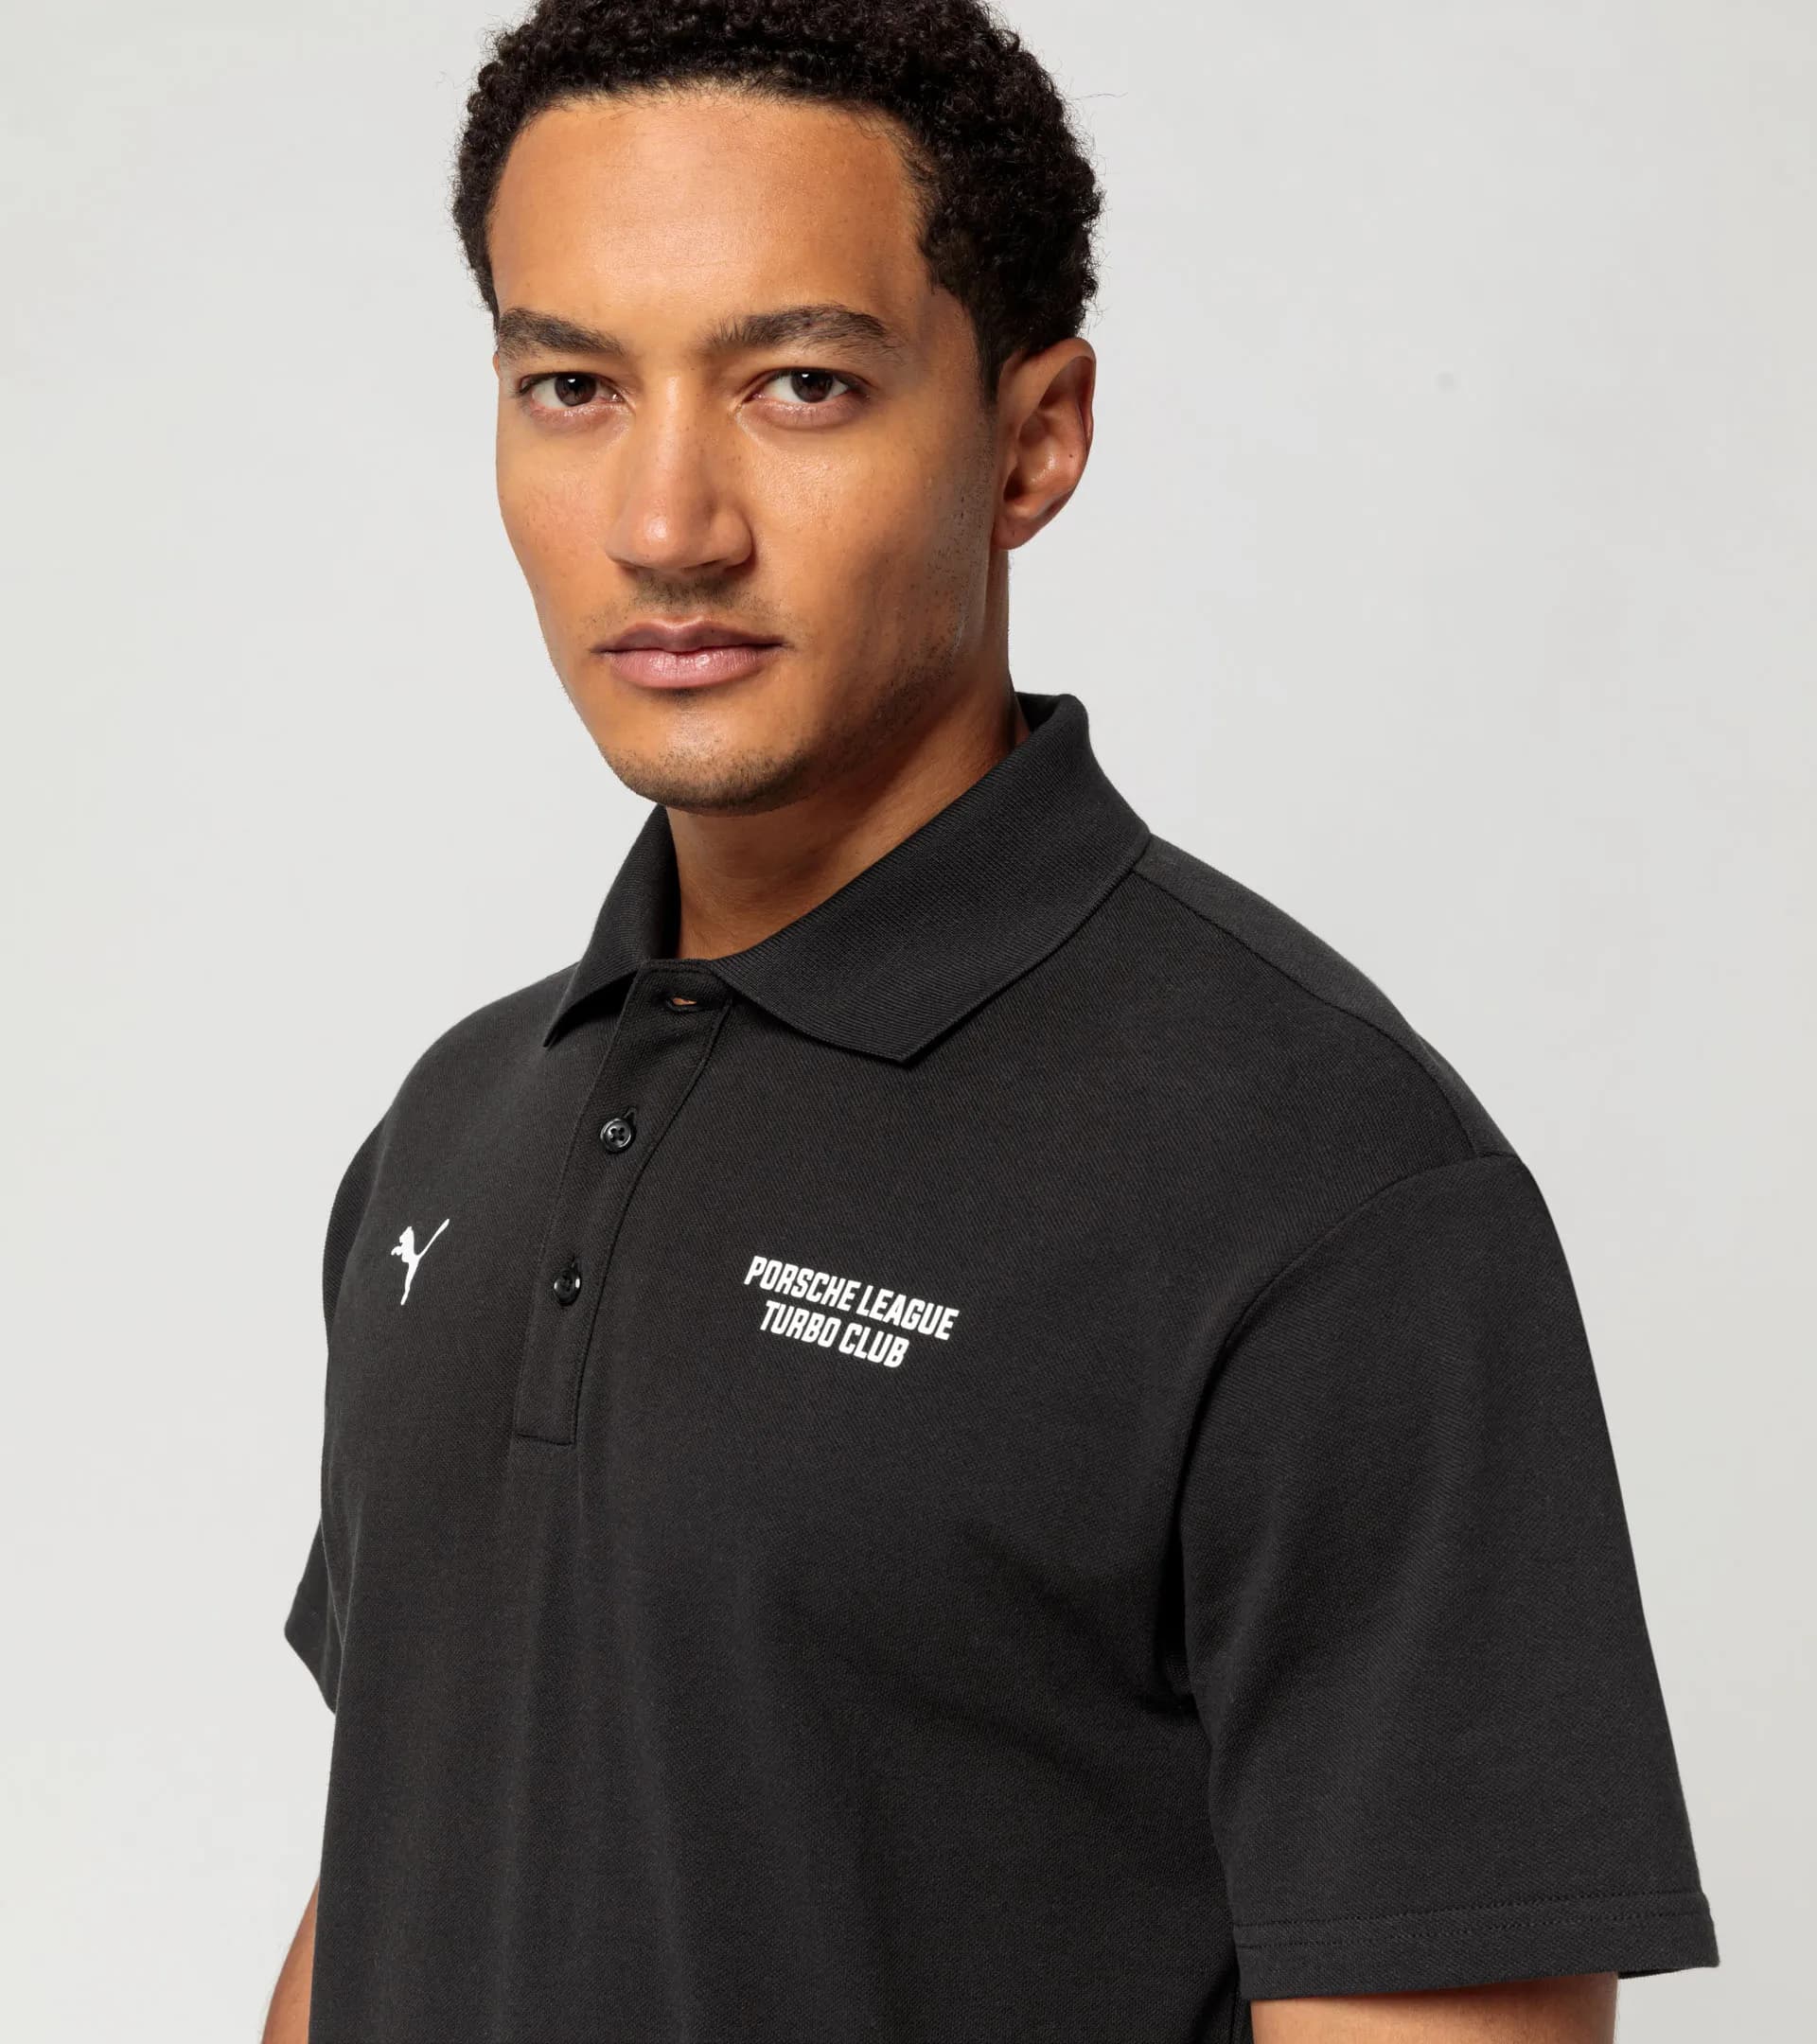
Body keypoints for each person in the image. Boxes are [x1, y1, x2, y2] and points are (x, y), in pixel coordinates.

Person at [265, 4, 1718, 2040]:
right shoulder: (453, 1131)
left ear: (1033, 440)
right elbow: (401, 1867)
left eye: (801, 383)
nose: (666, 522)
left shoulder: (1329, 1185)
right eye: (573, 385)